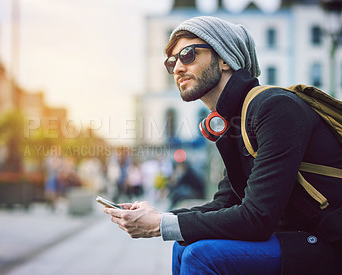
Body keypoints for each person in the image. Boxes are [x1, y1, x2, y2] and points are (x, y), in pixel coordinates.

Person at [103, 16, 342, 275]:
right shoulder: (235, 120)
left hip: (329, 240)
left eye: (188, 54)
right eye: (171, 62)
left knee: (202, 255)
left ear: (225, 58)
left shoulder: (276, 107)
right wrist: (161, 216)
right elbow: (226, 202)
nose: (177, 68)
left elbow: (257, 217)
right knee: (183, 246)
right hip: (297, 236)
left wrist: (160, 225)